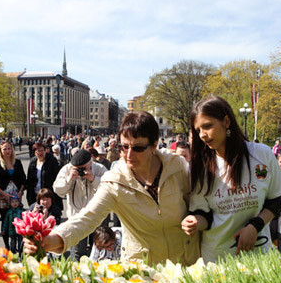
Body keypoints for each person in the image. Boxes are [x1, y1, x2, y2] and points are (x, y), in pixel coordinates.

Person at [25, 112, 200, 266]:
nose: (129, 155)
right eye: (124, 147)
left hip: (184, 265)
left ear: (154, 145)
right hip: (143, 271)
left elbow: (200, 204)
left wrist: (198, 219)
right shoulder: (114, 181)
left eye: (138, 148)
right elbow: (86, 219)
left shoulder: (177, 166)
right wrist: (52, 239)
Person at [181, 96, 281, 263]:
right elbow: (205, 216)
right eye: (198, 130)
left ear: (226, 121)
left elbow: (275, 202)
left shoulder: (261, 154)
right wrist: (195, 222)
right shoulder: (199, 166)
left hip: (260, 255)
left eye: (207, 126)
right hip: (217, 259)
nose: (202, 135)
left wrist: (254, 227)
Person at [50, 149, 108, 260]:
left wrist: (93, 178)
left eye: (84, 168)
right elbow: (58, 190)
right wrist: (69, 179)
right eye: (79, 169)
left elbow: (109, 188)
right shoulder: (67, 169)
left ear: (90, 163)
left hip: (97, 217)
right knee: (77, 251)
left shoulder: (99, 169)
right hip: (76, 217)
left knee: (99, 250)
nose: (81, 171)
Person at [0, 140, 26, 249]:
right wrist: (3, 194)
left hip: (16, 196)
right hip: (2, 196)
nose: (7, 151)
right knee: (6, 219)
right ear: (0, 150)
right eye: (4, 149)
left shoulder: (17, 162)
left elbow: (23, 179)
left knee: (17, 218)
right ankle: (7, 245)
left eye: (9, 148)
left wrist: (20, 192)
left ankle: (17, 243)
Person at [26, 142, 61, 214]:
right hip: (36, 195)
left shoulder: (51, 161)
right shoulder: (33, 162)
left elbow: (58, 177)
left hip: (49, 195)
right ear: (35, 153)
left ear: (45, 151)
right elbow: (29, 180)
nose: (40, 153)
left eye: (42, 150)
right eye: (38, 151)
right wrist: (29, 196)